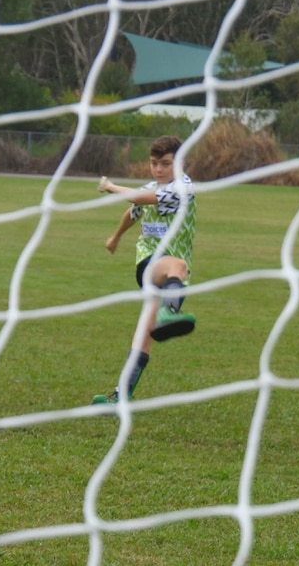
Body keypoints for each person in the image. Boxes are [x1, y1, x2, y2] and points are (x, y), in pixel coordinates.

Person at [92, 135, 197, 404]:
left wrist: (111, 186)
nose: (158, 169)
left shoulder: (183, 188)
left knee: (144, 336)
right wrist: (115, 237)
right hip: (150, 265)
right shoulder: (152, 187)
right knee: (178, 264)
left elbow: (141, 199)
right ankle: (171, 312)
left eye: (165, 163)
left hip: (172, 280)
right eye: (154, 163)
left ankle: (120, 397)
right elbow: (133, 213)